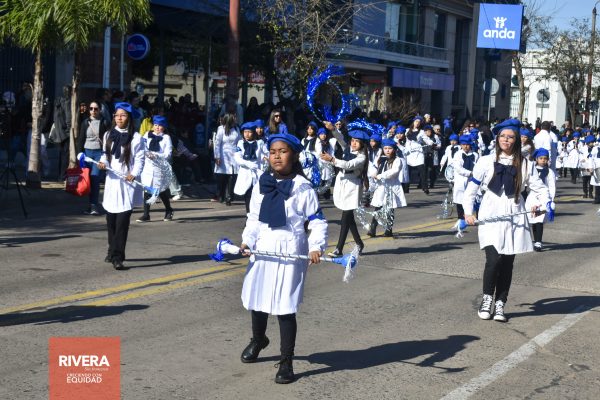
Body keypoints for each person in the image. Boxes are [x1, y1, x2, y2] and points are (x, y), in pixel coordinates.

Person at [238, 132, 328, 384]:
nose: (276, 156)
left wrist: (316, 246)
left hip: (290, 249)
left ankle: (286, 360)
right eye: (272, 152)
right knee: (257, 298)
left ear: (294, 156)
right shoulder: (262, 183)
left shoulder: (303, 187)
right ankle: (259, 339)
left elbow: (317, 221)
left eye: (283, 151)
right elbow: (254, 218)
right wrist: (247, 241)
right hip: (264, 247)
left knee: (285, 307)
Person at [463, 119, 551, 322]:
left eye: (510, 137)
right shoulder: (485, 161)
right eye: (502, 136)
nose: (506, 140)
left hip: (514, 214)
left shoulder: (526, 164)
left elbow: (540, 188)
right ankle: (487, 299)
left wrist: (543, 204)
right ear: (497, 139)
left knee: (507, 263)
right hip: (491, 214)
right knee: (493, 260)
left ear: (516, 140)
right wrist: (468, 212)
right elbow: (471, 189)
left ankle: (501, 303)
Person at [97, 102, 145, 270]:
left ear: (129, 118)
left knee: (122, 222)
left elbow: (140, 160)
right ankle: (111, 250)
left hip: (127, 183)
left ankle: (118, 256)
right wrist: (102, 163)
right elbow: (105, 155)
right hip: (112, 182)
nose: (119, 118)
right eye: (117, 115)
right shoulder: (108, 134)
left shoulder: (137, 138)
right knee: (110, 221)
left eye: (123, 115)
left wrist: (134, 173)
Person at [320, 130, 369, 257]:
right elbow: (340, 137)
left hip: (352, 187)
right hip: (342, 183)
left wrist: (332, 159)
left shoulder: (362, 157)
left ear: (362, 144)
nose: (353, 143)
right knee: (349, 218)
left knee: (345, 217)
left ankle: (339, 249)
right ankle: (359, 243)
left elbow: (348, 165)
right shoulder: (347, 148)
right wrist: (332, 129)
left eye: (357, 141)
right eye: (352, 140)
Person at [137, 116, 174, 222]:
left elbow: (168, 154)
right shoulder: (146, 134)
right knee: (147, 189)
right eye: (156, 125)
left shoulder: (166, 138)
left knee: (160, 190)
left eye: (160, 125)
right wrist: (147, 153)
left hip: (159, 167)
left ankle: (168, 209)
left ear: (164, 127)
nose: (157, 127)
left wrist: (157, 155)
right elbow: (142, 147)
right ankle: (146, 215)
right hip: (147, 167)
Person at [77, 101, 111, 215]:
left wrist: (106, 154)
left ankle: (94, 205)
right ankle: (91, 204)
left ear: (100, 110)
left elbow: (108, 139)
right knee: (88, 179)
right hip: (87, 153)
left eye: (95, 109)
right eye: (91, 108)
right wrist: (79, 153)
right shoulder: (85, 122)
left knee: (95, 178)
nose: (93, 111)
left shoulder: (104, 122)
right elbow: (81, 138)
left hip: (98, 153)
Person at [368, 138, 407, 237]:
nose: (387, 150)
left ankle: (388, 229)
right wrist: (373, 174)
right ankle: (372, 229)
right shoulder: (381, 159)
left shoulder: (397, 160)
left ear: (394, 149)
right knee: (378, 207)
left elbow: (394, 171)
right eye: (385, 148)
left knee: (389, 209)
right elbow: (374, 168)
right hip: (381, 187)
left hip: (391, 187)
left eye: (390, 148)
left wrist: (380, 176)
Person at [526, 148, 556, 251]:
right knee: (533, 219)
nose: (543, 160)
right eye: (541, 158)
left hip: (543, 198)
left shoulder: (549, 172)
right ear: (536, 159)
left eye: (545, 158)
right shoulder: (531, 169)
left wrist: (550, 200)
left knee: (539, 219)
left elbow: (552, 186)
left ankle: (538, 242)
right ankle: (536, 241)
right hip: (532, 197)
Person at [233, 122, 266, 213]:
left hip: (257, 173)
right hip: (245, 173)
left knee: (258, 195)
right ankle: (249, 214)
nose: (247, 134)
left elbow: (267, 153)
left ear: (254, 132)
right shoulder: (240, 143)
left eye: (249, 132)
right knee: (248, 195)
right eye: (245, 132)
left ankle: (257, 215)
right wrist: (248, 164)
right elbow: (237, 158)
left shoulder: (260, 143)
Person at [213, 113, 241, 205]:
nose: (236, 119)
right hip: (223, 155)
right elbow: (217, 144)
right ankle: (221, 195)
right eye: (234, 118)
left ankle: (229, 197)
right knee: (222, 177)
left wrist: (239, 154)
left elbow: (239, 142)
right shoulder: (221, 129)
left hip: (234, 155)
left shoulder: (236, 129)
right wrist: (217, 156)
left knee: (232, 176)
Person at [452, 135, 479, 225]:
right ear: (461, 145)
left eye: (467, 144)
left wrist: (476, 174)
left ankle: (477, 217)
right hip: (461, 179)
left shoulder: (475, 155)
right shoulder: (458, 154)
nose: (465, 146)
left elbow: (478, 167)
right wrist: (470, 173)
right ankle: (461, 218)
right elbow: (458, 168)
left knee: (475, 197)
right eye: (463, 145)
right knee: (460, 199)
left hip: (472, 179)